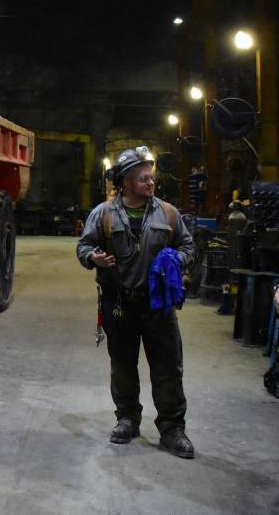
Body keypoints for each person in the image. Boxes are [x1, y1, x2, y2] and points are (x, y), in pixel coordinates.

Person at [76, 146, 197, 459]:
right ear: (126, 181)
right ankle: (127, 419)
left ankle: (172, 429)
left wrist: (176, 259)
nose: (149, 180)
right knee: (123, 366)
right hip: (120, 304)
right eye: (142, 176)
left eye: (150, 175)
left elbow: (187, 246)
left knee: (168, 368)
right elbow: (84, 246)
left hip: (158, 307)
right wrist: (94, 258)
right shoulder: (102, 214)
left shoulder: (168, 213)